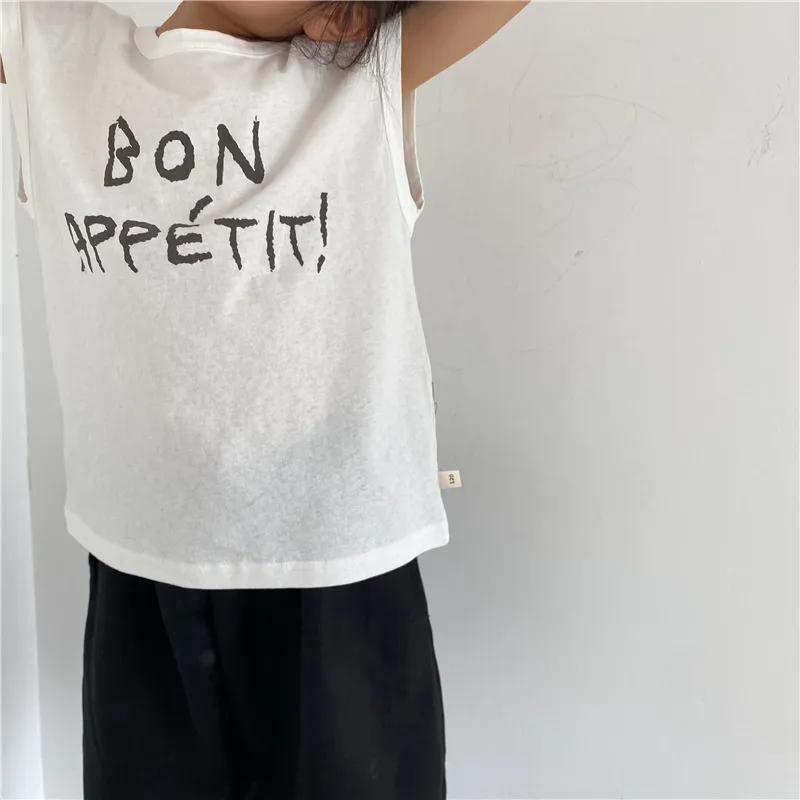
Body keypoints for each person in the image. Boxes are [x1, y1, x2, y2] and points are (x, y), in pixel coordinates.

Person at [1, 1, 528, 797]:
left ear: (341, 14)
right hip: (143, 565)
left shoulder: (362, 84)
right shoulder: (57, 55)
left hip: (339, 569)